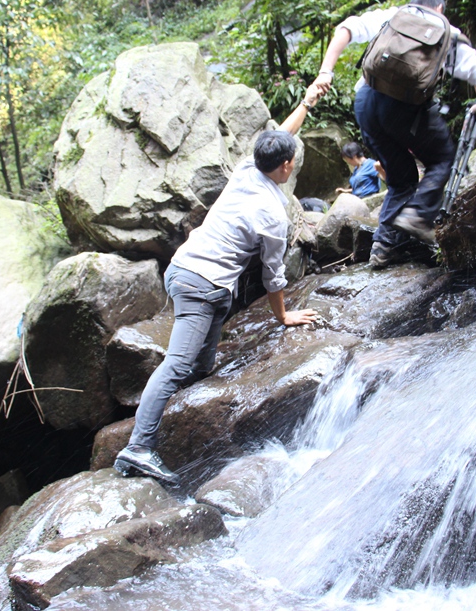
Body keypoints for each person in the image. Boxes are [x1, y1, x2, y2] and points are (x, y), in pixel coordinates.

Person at [113, 85, 323, 485]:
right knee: (178, 365)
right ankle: (138, 447)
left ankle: (171, 422)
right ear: (287, 165)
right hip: (201, 285)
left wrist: (307, 103)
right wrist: (283, 316)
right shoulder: (273, 213)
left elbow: (281, 133)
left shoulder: (248, 168)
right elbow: (272, 274)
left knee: (202, 366)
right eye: (291, 158)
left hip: (189, 275)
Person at [313, 0, 476, 268]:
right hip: (404, 109)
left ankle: (382, 247)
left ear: (413, 5)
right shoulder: (447, 32)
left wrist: (326, 71)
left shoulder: (393, 16)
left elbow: (346, 28)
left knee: (402, 177)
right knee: (443, 158)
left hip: (365, 103)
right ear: (440, 9)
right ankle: (418, 216)